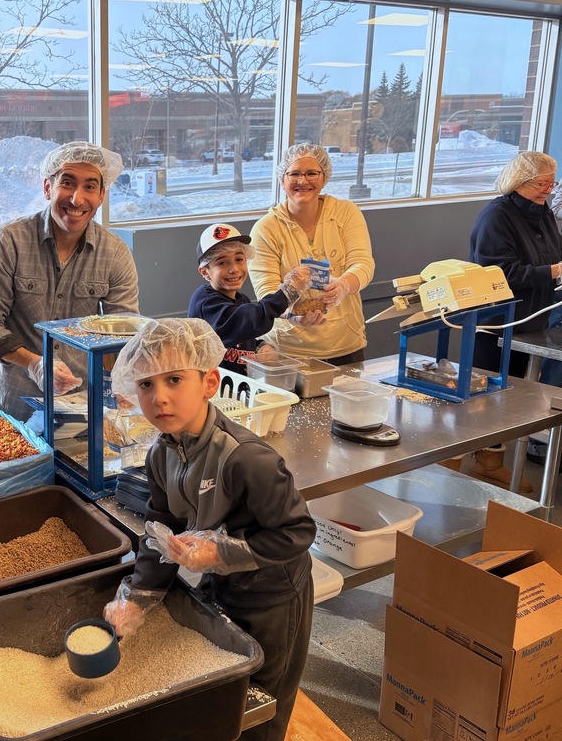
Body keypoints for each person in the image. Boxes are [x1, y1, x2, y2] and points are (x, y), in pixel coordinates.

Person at [103, 317, 315, 741]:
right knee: (224, 693)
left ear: (209, 382)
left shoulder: (246, 459)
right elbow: (161, 528)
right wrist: (139, 598)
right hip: (218, 587)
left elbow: (296, 533)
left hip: (272, 596)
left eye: (174, 379)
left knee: (261, 704)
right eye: (145, 384)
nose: (159, 397)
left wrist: (221, 554)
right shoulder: (161, 454)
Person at [0, 141, 140, 422]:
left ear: (101, 196)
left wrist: (121, 383)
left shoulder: (115, 253)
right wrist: (35, 364)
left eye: (89, 187)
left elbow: (123, 332)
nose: (76, 199)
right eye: (68, 183)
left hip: (81, 400)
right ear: (48, 188)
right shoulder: (9, 241)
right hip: (16, 400)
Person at [468, 151, 559, 486]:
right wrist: (554, 271)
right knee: (487, 395)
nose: (548, 189)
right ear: (520, 181)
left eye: (552, 182)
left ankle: (493, 461)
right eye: (541, 183)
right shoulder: (496, 215)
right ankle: (479, 461)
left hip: (531, 321)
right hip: (497, 320)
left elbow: (554, 250)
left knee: (513, 395)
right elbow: (500, 271)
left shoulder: (542, 211)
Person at [248, 143, 376, 365]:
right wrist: (292, 315)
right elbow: (266, 291)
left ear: (324, 177)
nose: (302, 181)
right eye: (294, 173)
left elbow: (363, 264)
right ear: (282, 180)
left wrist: (344, 285)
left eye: (311, 173)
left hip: (345, 345)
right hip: (288, 351)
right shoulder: (266, 229)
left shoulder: (346, 213)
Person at [187, 222, 311, 374]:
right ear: (205, 272)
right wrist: (288, 292)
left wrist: (260, 346)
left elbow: (242, 338)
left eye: (239, 259)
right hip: (214, 389)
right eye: (222, 262)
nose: (234, 269)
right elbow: (245, 321)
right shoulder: (206, 302)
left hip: (241, 387)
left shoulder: (242, 301)